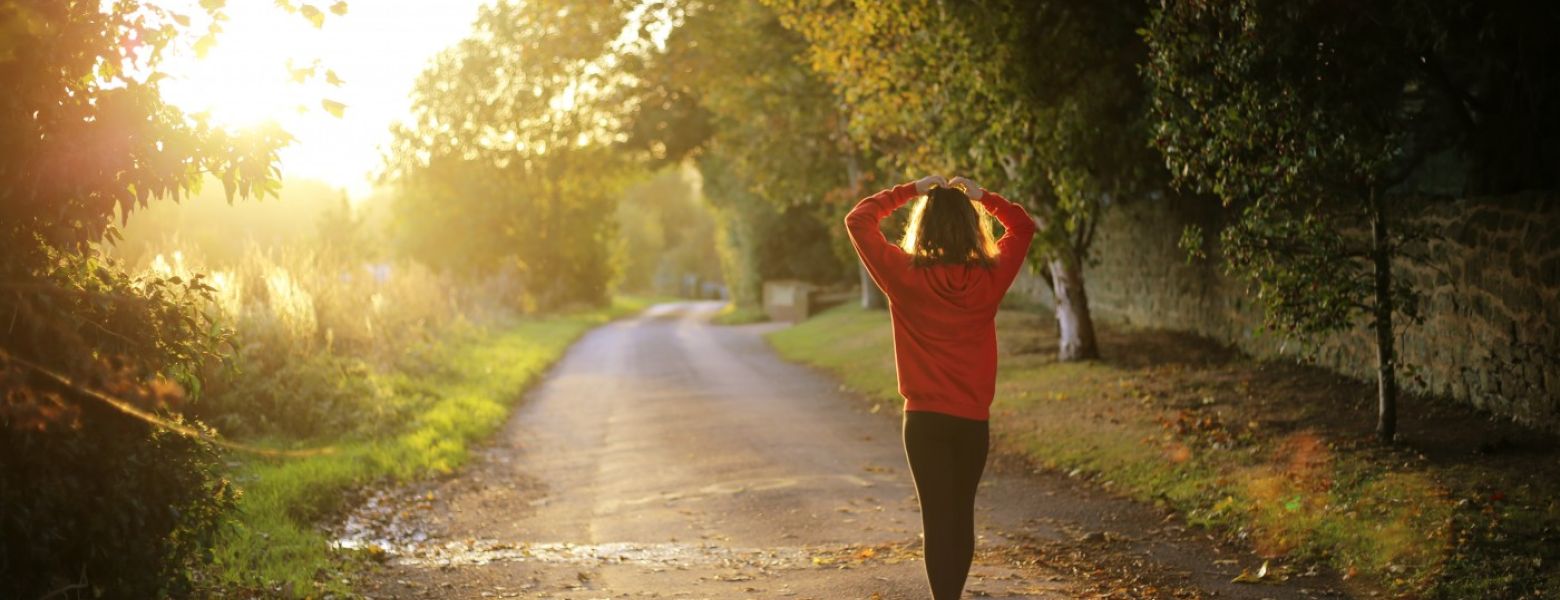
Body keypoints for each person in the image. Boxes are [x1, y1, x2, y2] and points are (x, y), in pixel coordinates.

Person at [844, 174, 1036, 599]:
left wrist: (910, 189)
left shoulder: (903, 276)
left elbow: (859, 220)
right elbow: (1022, 227)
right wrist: (983, 196)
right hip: (971, 422)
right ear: (972, 226)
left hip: (924, 421)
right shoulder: (990, 277)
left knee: (937, 519)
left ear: (923, 226)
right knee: (961, 515)